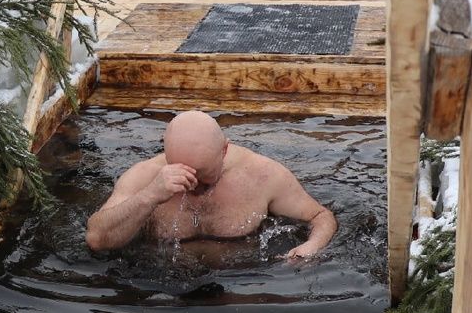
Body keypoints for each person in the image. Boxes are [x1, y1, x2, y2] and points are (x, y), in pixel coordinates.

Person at [85, 110, 337, 258]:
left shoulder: (263, 174)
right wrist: (149, 196)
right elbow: (96, 239)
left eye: (203, 176)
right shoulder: (144, 176)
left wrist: (310, 247)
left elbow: (320, 216)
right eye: (182, 173)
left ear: (224, 150)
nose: (191, 185)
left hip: (241, 283)